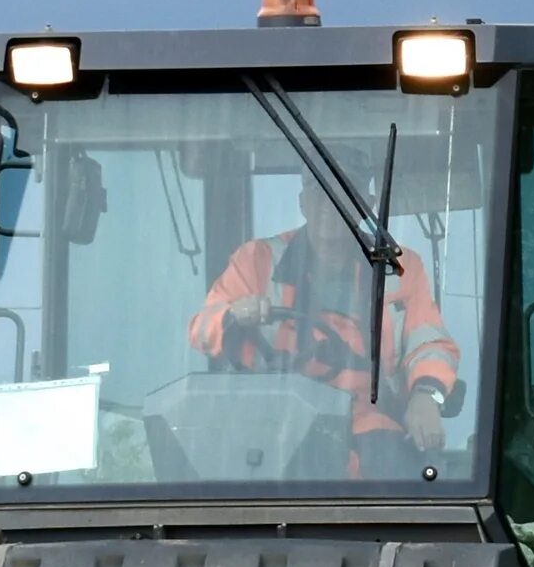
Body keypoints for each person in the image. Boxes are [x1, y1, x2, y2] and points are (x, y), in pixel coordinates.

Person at [187, 178, 462, 475]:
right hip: (271, 423)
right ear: (302, 202)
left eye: (344, 195)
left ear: (366, 206)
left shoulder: (398, 268)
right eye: (320, 194)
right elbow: (201, 329)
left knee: (413, 484)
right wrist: (233, 315)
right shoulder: (257, 260)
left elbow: (429, 342)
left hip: (366, 422)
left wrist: (426, 395)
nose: (330, 206)